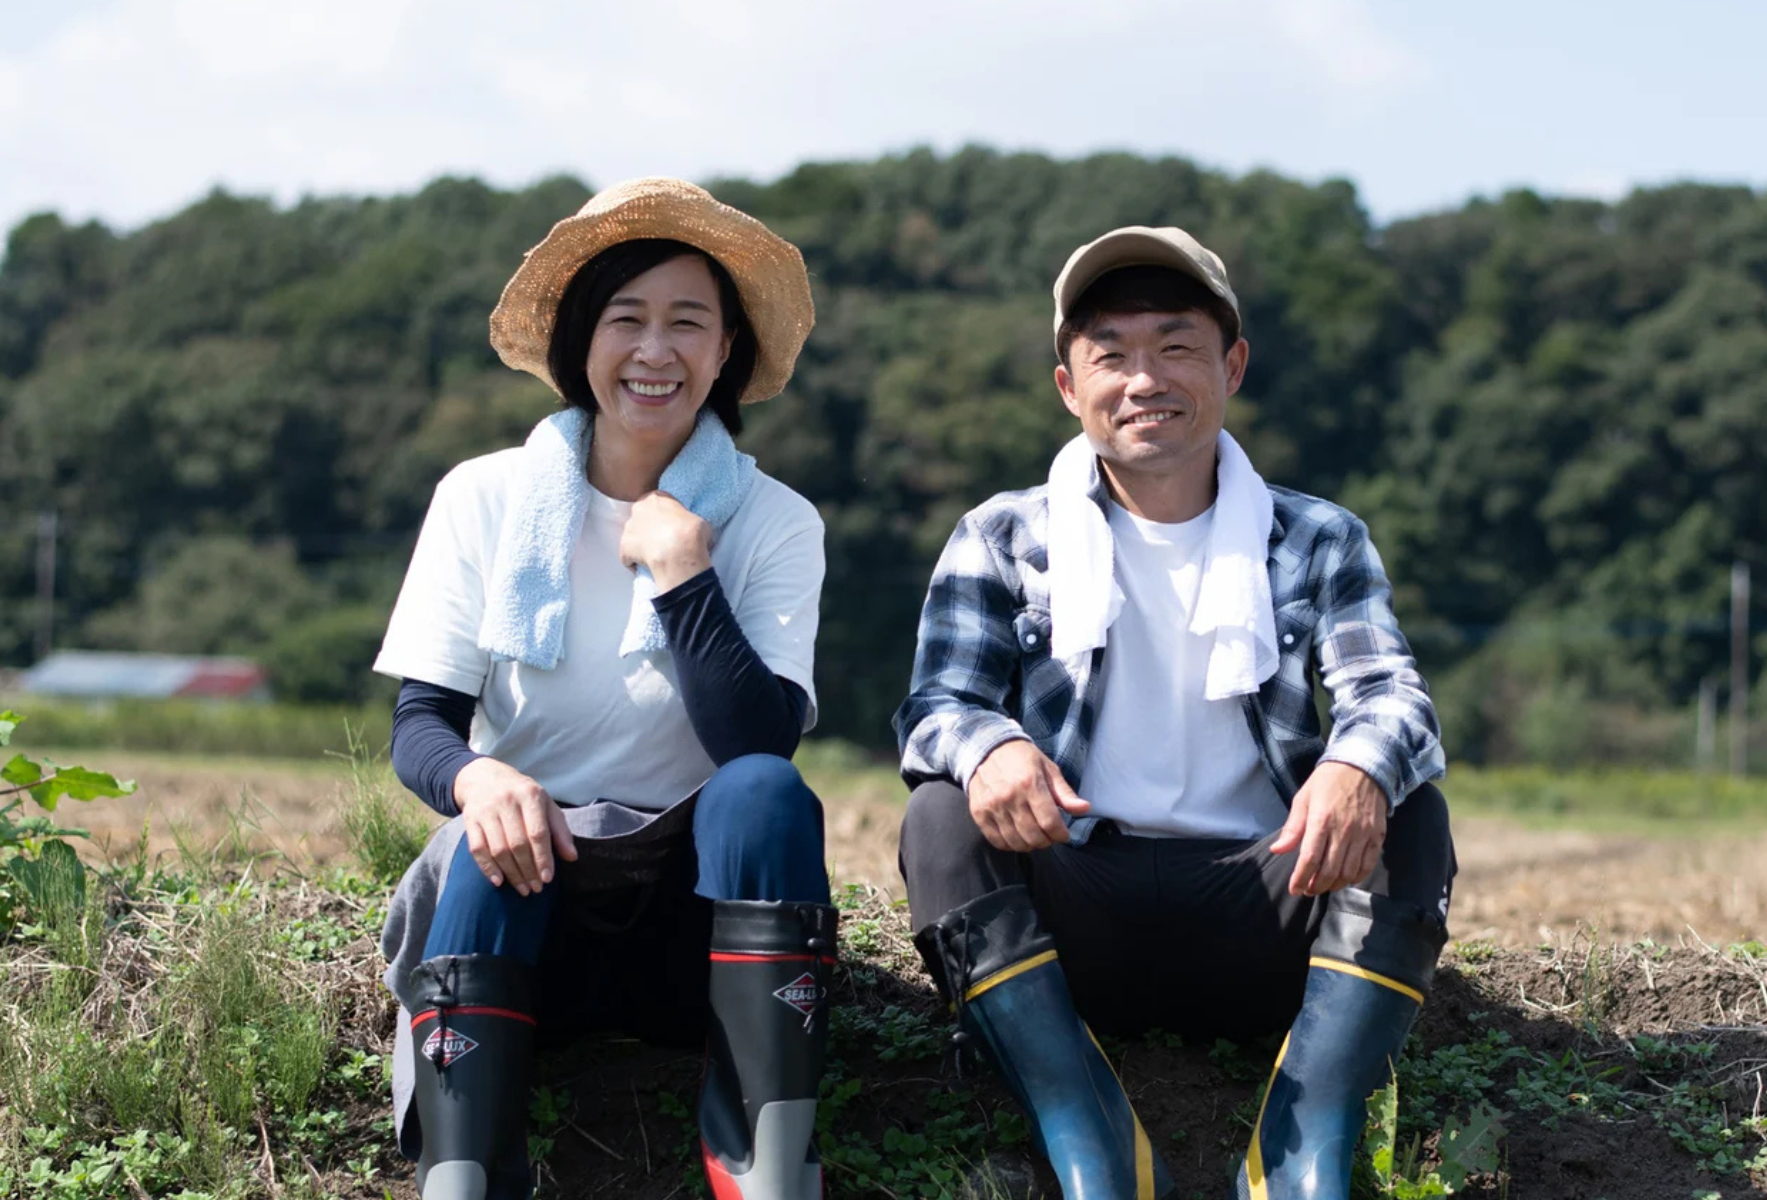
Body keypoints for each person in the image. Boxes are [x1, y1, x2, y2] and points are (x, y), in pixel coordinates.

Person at [893, 225, 1455, 1199]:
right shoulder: (1000, 535)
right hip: (1075, 918)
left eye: (1176, 346)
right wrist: (990, 750)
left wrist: (1355, 766)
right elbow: (939, 703)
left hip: (1269, 901)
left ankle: (1302, 1138)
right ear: (1070, 386)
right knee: (941, 812)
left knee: (1406, 803)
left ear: (1230, 365)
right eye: (1111, 353)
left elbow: (1390, 694)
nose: (1143, 378)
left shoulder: (1318, 536)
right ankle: (1086, 1132)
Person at [374, 177, 834, 1200]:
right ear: (584, 342)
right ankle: (462, 1179)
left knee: (764, 793)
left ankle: (767, 1170)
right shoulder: (485, 498)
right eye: (626, 319)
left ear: (728, 354)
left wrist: (682, 573)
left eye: (688, 324)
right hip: (530, 905)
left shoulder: (777, 522)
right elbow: (423, 724)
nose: (655, 352)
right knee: (487, 834)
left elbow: (758, 743)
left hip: (695, 932)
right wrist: (476, 783)